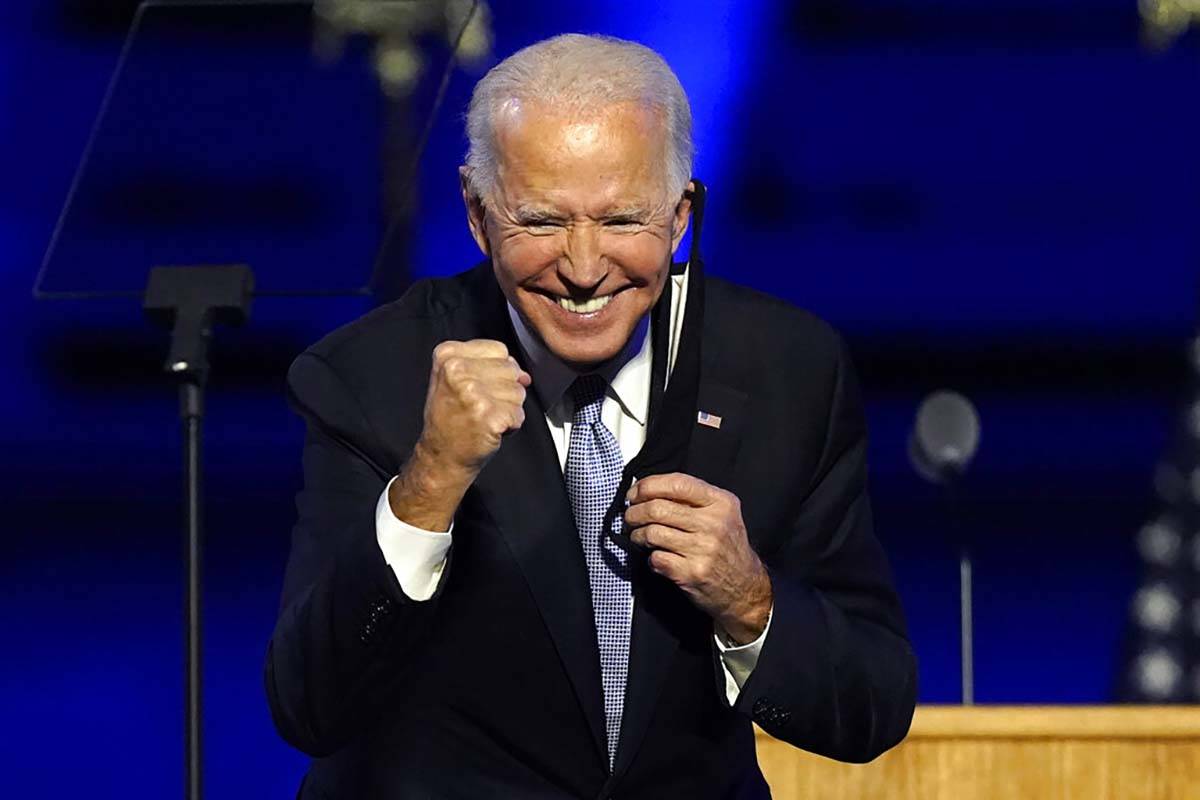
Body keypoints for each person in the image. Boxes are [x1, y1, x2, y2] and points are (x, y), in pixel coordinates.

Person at [265, 33, 916, 799]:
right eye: (541, 222)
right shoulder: (370, 377)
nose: (582, 268)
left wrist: (749, 601)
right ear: (478, 214)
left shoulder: (787, 370)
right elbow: (311, 708)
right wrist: (429, 484)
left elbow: (870, 708)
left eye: (621, 221)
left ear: (680, 218)